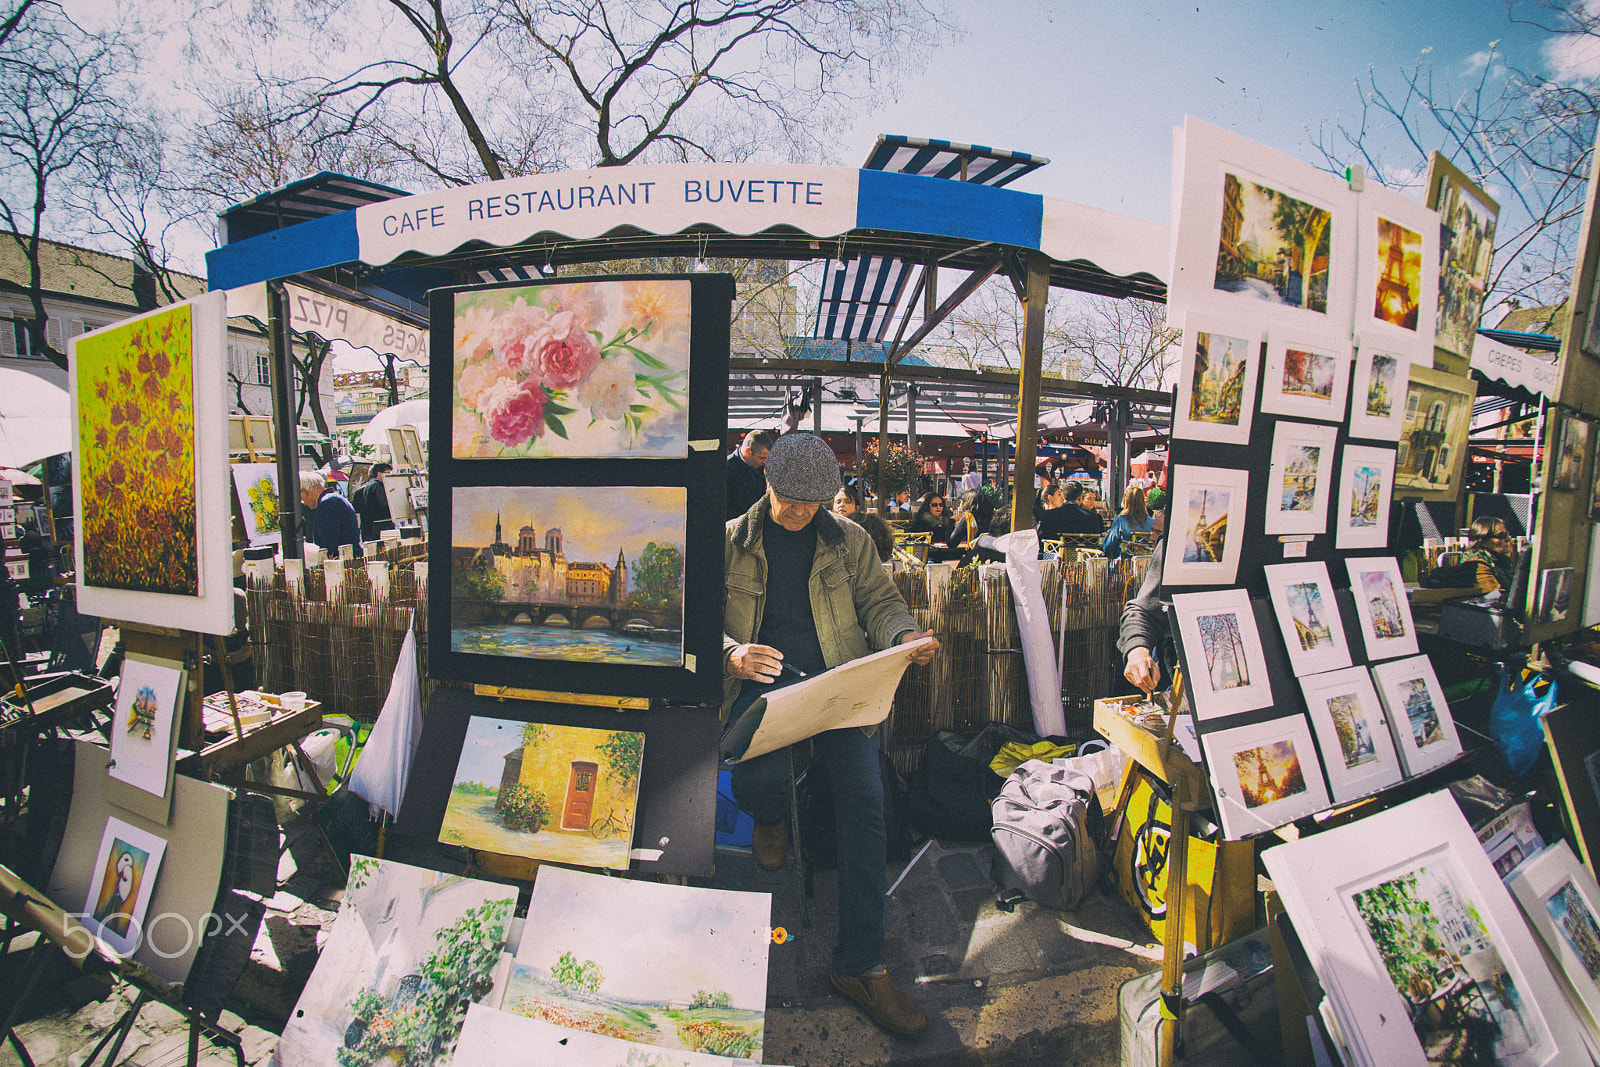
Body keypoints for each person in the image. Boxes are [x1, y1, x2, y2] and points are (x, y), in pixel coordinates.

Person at [723, 432, 938, 1035]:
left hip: (840, 685)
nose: (798, 512)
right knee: (759, 783)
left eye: (811, 502)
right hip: (761, 687)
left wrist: (903, 638)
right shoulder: (731, 543)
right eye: (788, 499)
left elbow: (880, 603)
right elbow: (701, 619)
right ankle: (771, 816)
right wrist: (734, 655)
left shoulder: (852, 542)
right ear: (767, 482)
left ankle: (860, 964)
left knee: (865, 803)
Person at [300, 470, 362, 557]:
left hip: (342, 562)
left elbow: (328, 546)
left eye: (301, 496)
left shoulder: (327, 503)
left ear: (305, 491)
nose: (303, 503)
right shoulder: (335, 498)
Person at [833, 485, 895, 563]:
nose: (842, 505)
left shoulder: (867, 524)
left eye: (847, 502)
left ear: (857, 507)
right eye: (838, 502)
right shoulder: (829, 527)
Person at [1461, 516, 1519, 594]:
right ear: (1483, 542)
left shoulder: (1501, 559)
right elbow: (1492, 594)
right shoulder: (1475, 564)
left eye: (1507, 534)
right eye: (1501, 536)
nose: (1508, 539)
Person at [727, 429, 776, 520]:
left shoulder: (758, 466)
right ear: (748, 451)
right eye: (761, 457)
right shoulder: (726, 469)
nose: (765, 462)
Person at [1037, 480, 1104, 542]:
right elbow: (1095, 542)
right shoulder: (1093, 517)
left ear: (1063, 496)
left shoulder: (1050, 514)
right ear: (1080, 497)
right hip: (1083, 553)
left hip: (1057, 553)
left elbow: (1041, 539)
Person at [1102, 484, 1155, 560]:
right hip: (1147, 562)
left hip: (1124, 564)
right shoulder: (1152, 522)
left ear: (1126, 500)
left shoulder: (1120, 521)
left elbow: (1108, 545)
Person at [907, 492, 958, 562]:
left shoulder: (947, 519)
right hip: (928, 555)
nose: (938, 507)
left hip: (947, 553)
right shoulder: (922, 520)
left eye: (941, 505)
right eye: (934, 505)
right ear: (928, 506)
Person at [350, 461, 395, 542]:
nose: (389, 476)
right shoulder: (380, 486)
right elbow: (385, 505)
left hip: (366, 529)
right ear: (379, 474)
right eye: (387, 473)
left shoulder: (359, 491)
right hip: (382, 528)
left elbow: (355, 509)